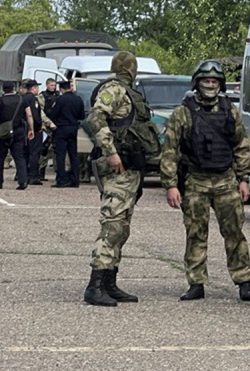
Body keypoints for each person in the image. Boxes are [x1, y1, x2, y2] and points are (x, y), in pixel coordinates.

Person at [160, 60, 250, 302]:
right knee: (195, 234)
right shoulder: (183, 112)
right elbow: (170, 151)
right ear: (197, 83)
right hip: (197, 181)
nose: (210, 85)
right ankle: (196, 282)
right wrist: (170, 185)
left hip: (226, 181)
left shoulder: (230, 110)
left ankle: (243, 280)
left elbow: (242, 146)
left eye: (214, 81)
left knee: (234, 232)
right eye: (206, 81)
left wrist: (244, 179)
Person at [83, 51, 161, 307]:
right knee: (113, 225)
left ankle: (109, 282)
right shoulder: (114, 89)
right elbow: (95, 118)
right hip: (118, 167)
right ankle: (94, 286)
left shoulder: (128, 92)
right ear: (130, 69)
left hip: (130, 170)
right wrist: (112, 153)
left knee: (122, 227)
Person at [0, 81, 30, 190]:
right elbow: (29, 115)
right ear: (14, 88)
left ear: (3, 89)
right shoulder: (21, 99)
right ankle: (23, 181)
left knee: (0, 158)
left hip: (3, 131)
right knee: (19, 157)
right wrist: (31, 129)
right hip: (18, 130)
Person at [48, 79, 85, 186]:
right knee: (73, 155)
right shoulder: (78, 99)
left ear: (62, 89)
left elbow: (53, 115)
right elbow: (82, 116)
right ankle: (75, 179)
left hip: (62, 129)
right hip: (73, 128)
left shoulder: (60, 100)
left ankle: (61, 179)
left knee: (61, 155)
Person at [22, 80, 47, 185]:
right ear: (33, 88)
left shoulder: (23, 98)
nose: (38, 90)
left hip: (24, 129)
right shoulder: (33, 100)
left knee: (26, 153)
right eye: (37, 87)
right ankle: (34, 176)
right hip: (34, 130)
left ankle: (25, 175)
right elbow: (34, 116)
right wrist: (38, 127)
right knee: (35, 153)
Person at [37, 78, 59, 182]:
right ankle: (41, 172)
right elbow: (40, 111)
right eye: (51, 85)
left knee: (56, 149)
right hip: (47, 126)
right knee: (44, 150)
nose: (53, 87)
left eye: (54, 85)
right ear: (47, 85)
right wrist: (46, 123)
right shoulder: (42, 96)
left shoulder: (58, 96)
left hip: (57, 125)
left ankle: (58, 172)